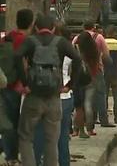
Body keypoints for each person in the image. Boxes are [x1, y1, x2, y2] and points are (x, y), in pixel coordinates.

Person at [15, 15, 81, 166]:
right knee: (52, 140)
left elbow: (17, 56)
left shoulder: (30, 41)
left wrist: (25, 82)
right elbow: (77, 59)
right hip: (54, 97)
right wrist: (70, 85)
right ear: (52, 28)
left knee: (25, 136)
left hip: (33, 96)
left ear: (36, 27)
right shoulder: (61, 43)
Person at [33, 24, 75, 166]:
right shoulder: (68, 49)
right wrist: (69, 85)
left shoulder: (38, 48)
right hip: (64, 96)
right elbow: (79, 65)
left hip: (42, 96)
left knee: (39, 135)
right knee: (62, 138)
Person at [1, 9, 34, 166]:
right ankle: (12, 156)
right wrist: (25, 83)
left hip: (4, 82)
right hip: (15, 85)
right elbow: (23, 64)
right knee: (13, 123)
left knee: (7, 121)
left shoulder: (8, 37)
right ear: (30, 23)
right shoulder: (23, 40)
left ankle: (9, 155)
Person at [72, 20, 114, 135]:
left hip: (79, 74)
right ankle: (98, 122)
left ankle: (76, 128)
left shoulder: (76, 39)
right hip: (95, 72)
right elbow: (106, 55)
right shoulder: (99, 38)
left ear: (83, 26)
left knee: (78, 104)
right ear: (94, 27)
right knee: (98, 96)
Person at [104, 25, 117, 123]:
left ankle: (104, 118)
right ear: (114, 33)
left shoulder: (102, 42)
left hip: (104, 71)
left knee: (104, 95)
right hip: (115, 71)